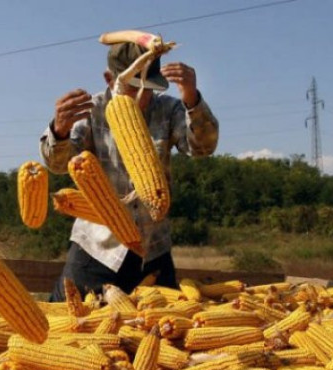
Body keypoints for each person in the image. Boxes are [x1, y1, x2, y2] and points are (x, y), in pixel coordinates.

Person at [40, 40, 219, 301]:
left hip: (153, 251)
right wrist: (59, 131)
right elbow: (57, 164)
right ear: (109, 78)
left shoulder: (169, 110)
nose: (141, 97)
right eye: (134, 87)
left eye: (149, 88)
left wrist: (193, 99)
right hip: (97, 250)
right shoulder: (91, 110)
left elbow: (202, 147)